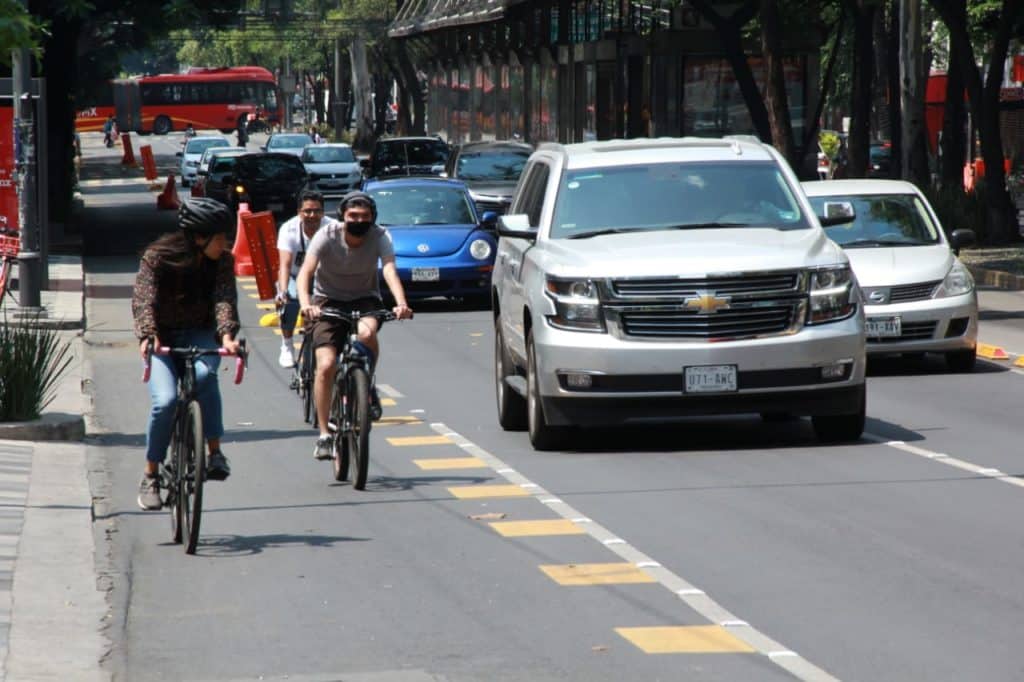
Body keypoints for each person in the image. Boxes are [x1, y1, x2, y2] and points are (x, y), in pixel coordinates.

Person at [131, 198, 242, 511]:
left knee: (206, 376)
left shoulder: (222, 261)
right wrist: (148, 335)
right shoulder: (157, 258)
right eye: (220, 237)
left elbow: (224, 300)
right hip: (161, 338)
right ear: (198, 237)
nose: (225, 243)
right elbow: (143, 300)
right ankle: (151, 474)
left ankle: (215, 452)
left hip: (200, 333)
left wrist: (227, 336)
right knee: (165, 401)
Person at [297, 191, 413, 461]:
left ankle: (366, 383)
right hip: (327, 302)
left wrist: (401, 303)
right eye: (353, 216)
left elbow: (389, 269)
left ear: (373, 218)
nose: (359, 220)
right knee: (326, 365)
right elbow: (306, 271)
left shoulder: (381, 236)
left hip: (365, 298)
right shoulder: (326, 235)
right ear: (342, 217)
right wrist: (306, 304)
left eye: (365, 216)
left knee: (366, 332)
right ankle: (325, 434)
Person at [274, 190, 334, 368]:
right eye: (307, 211)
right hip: (294, 275)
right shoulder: (288, 229)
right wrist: (282, 292)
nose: (312, 215)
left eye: (317, 211)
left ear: (323, 212)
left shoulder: (333, 227)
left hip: (323, 276)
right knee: (290, 300)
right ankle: (287, 344)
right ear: (299, 212)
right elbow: (284, 265)